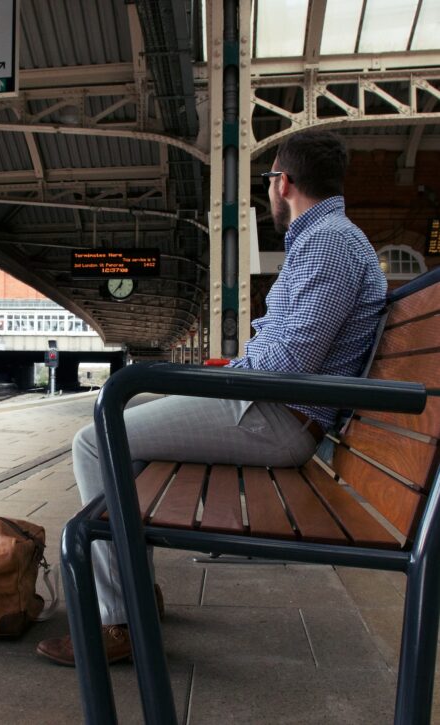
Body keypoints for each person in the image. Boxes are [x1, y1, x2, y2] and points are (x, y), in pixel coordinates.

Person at [36, 129, 387, 666]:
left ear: (284, 183)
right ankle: (135, 594)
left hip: (276, 418)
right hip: (274, 408)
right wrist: (219, 373)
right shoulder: (329, 238)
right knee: (122, 432)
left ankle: (120, 621)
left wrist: (211, 378)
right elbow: (284, 350)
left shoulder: (328, 242)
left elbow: (291, 365)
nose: (268, 191)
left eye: (268, 181)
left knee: (95, 439)